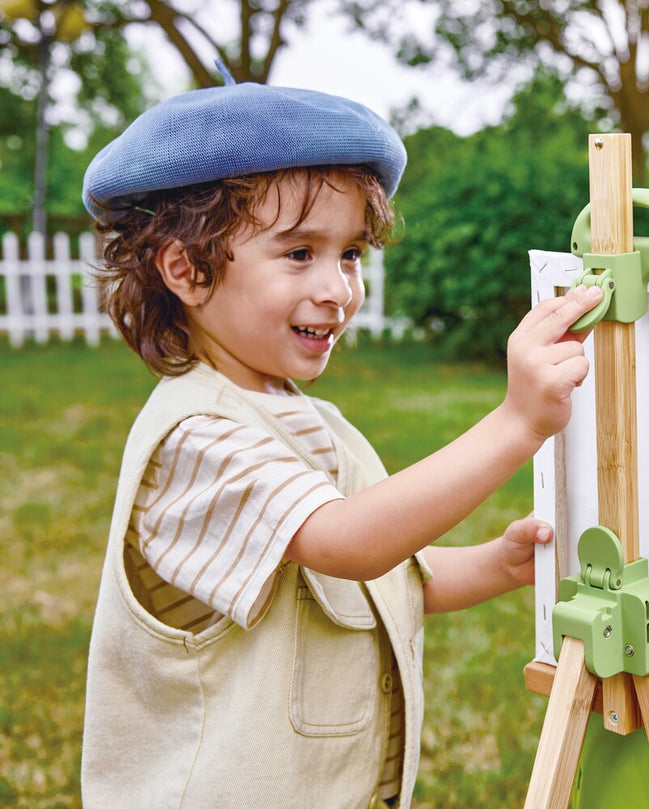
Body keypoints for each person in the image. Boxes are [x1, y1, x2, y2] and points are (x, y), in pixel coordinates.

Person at [78, 74, 603, 808]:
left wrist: (493, 564)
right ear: (186, 270)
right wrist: (516, 424)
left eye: (350, 252)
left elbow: (379, 576)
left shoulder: (312, 424)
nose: (339, 288)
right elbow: (350, 541)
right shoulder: (196, 439)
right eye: (299, 254)